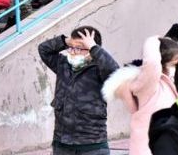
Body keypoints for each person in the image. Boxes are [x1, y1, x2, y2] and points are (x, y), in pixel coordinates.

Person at [38, 26, 120, 155]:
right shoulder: (63, 64)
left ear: (91, 50)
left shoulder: (99, 69)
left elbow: (115, 72)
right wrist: (66, 41)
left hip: (92, 145)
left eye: (79, 48)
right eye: (71, 47)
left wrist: (94, 47)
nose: (73, 52)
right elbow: (43, 49)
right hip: (62, 144)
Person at [103, 36, 178, 155]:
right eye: (174, 64)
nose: (177, 68)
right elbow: (152, 63)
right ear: (162, 63)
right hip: (147, 149)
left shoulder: (170, 83)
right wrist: (154, 39)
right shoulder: (149, 84)